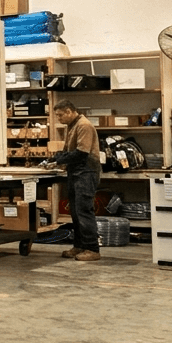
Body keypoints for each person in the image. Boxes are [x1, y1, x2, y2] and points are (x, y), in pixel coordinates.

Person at [45, 100, 101, 262]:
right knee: (75, 212)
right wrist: (55, 158)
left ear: (69, 111)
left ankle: (92, 248)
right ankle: (79, 245)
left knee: (84, 211)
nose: (59, 118)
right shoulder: (72, 126)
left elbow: (81, 153)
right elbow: (68, 151)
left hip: (86, 172)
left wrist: (58, 161)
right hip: (76, 172)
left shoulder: (84, 126)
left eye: (60, 115)